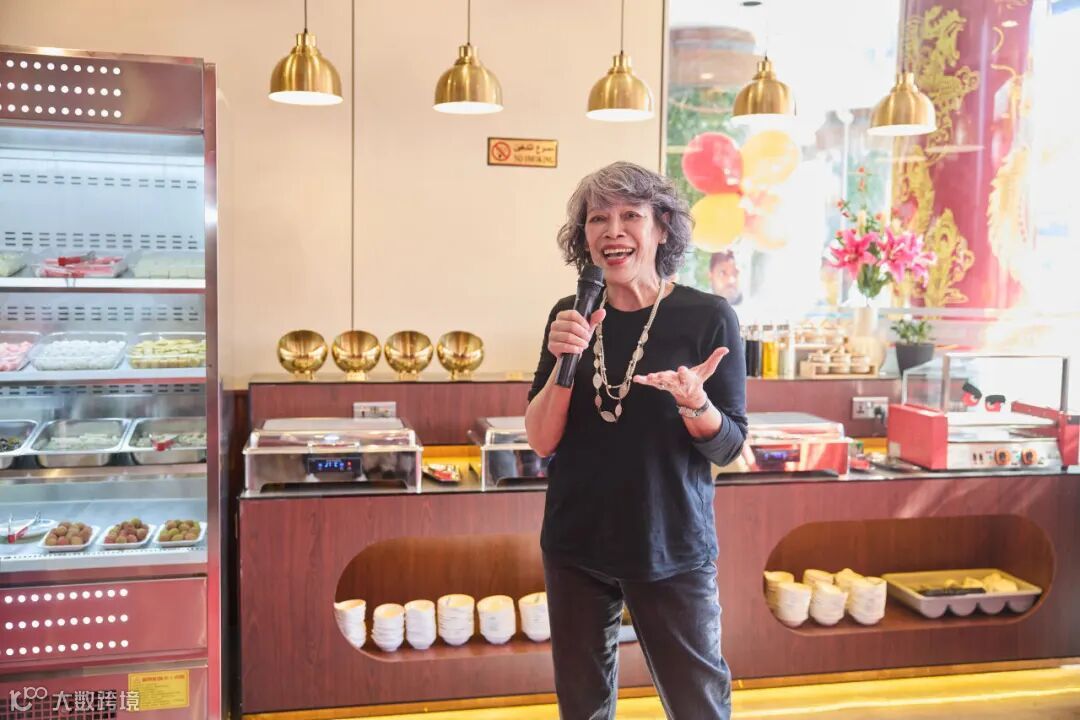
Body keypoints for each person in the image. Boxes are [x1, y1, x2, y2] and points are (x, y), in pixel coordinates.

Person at [525, 161, 748, 720]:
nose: (613, 230)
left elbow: (729, 447)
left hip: (669, 542)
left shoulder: (708, 317)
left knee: (697, 704)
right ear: (584, 237)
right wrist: (564, 360)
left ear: (662, 228)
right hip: (576, 542)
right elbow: (542, 440)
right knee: (581, 707)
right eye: (597, 218)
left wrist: (695, 404)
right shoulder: (570, 314)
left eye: (631, 215)